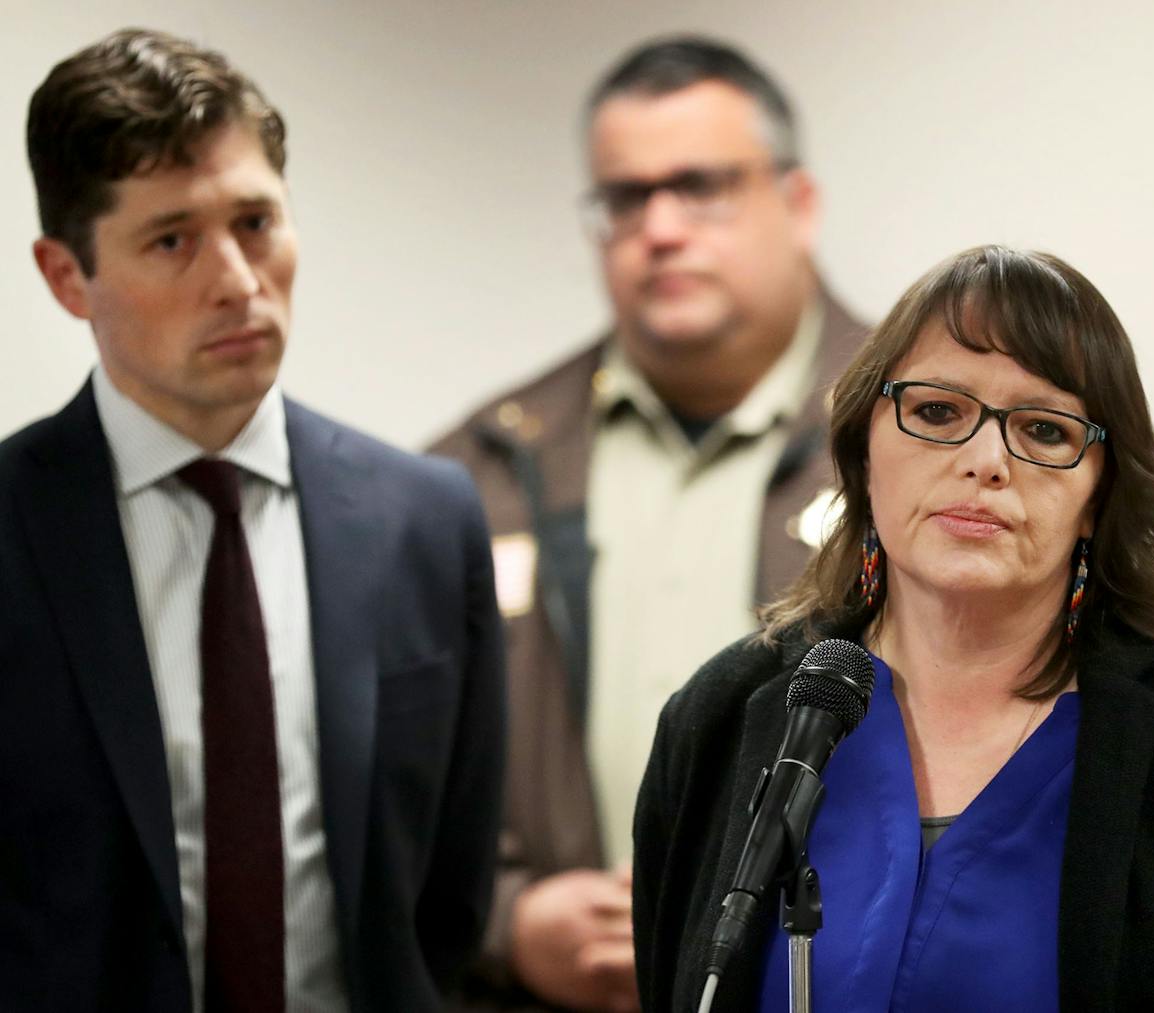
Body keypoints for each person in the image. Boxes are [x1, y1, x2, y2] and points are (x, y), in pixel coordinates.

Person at [632, 245, 1154, 1011]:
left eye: (1045, 429)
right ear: (862, 452)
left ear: (1100, 492)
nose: (986, 459)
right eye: (938, 411)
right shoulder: (723, 718)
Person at [0, 28, 504, 1012]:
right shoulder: (12, 526)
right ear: (67, 276)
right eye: (172, 239)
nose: (235, 279)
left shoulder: (426, 519)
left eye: (256, 221)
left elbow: (446, 896)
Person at [431, 36, 863, 1012]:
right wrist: (505, 918)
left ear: (797, 205)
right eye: (624, 198)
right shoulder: (479, 471)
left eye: (700, 186)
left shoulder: (920, 442)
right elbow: (386, 776)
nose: (659, 227)